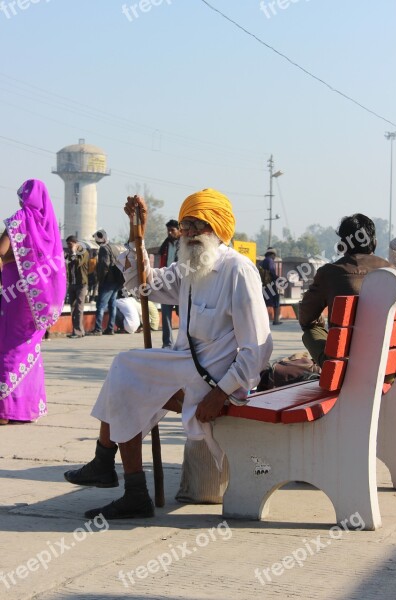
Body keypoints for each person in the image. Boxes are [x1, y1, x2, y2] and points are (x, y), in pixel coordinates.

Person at [64, 188, 272, 520]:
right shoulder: (190, 266)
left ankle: (110, 468)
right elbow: (147, 286)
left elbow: (258, 348)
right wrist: (138, 232)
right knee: (124, 376)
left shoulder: (238, 271)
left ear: (216, 228)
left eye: (195, 226)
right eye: (185, 226)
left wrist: (221, 394)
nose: (187, 233)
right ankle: (124, 483)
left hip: (216, 381)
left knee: (126, 374)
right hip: (185, 368)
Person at [0, 179, 66, 425]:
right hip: (37, 301)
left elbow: (3, 250)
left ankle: (4, 410)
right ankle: (24, 408)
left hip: (15, 296)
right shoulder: (48, 227)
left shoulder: (21, 218)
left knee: (9, 346)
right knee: (28, 348)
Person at [299, 213, 391, 367]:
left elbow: (306, 317)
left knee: (311, 330)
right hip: (388, 364)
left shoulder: (329, 273)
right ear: (374, 243)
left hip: (345, 368)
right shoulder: (393, 272)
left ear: (343, 246)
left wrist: (319, 322)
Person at [89, 229, 122, 336]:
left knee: (101, 305)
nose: (96, 242)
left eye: (97, 239)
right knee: (112, 305)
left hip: (108, 280)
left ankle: (98, 329)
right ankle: (110, 328)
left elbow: (104, 265)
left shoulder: (103, 249)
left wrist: (100, 280)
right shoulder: (115, 247)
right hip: (117, 280)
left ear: (101, 238)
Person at [158, 219, 181, 347]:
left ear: (179, 230)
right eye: (168, 230)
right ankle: (167, 343)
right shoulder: (165, 245)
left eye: (172, 230)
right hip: (166, 282)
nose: (170, 232)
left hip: (180, 284)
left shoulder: (185, 244)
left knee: (183, 315)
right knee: (166, 314)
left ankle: (184, 343)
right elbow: (162, 263)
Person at [65, 235, 89, 339]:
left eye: (70, 244)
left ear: (75, 243)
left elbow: (78, 263)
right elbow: (67, 265)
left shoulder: (84, 252)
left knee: (79, 308)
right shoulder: (70, 253)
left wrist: (74, 252)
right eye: (68, 245)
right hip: (72, 283)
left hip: (81, 284)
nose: (69, 247)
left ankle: (78, 332)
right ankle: (77, 331)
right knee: (73, 308)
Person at [261, 247, 282, 325]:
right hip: (270, 285)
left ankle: (263, 321)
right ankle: (276, 320)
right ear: (272, 254)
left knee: (264, 302)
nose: (274, 257)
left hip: (264, 285)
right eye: (274, 255)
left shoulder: (262, 262)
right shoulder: (270, 261)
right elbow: (272, 272)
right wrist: (278, 278)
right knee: (276, 301)